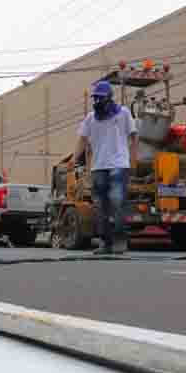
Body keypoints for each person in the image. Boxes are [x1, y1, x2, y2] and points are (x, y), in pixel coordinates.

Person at [74, 80, 139, 254]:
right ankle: (106, 243)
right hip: (98, 167)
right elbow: (82, 139)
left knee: (117, 201)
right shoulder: (90, 118)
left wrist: (133, 160)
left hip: (119, 164)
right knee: (100, 206)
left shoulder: (123, 113)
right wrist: (74, 160)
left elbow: (134, 136)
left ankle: (119, 241)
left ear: (110, 97)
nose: (97, 102)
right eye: (95, 98)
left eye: (100, 98)